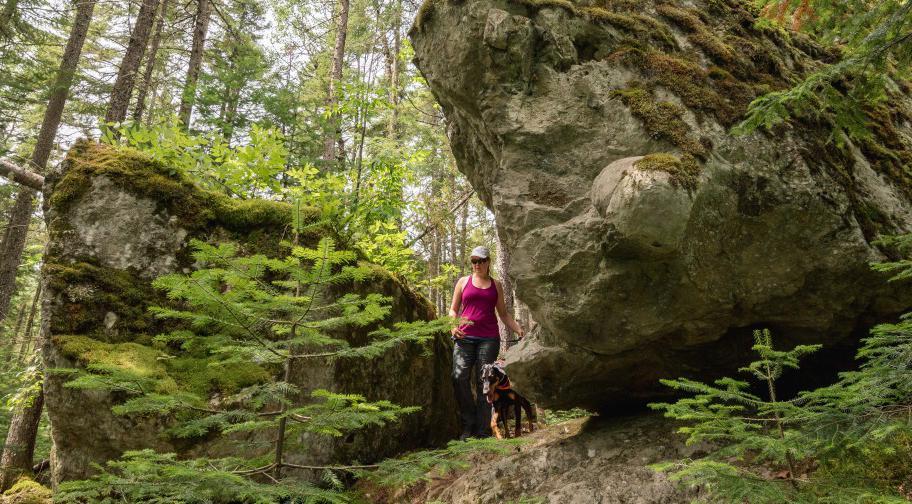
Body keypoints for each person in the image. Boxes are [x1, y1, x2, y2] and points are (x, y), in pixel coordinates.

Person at [449, 245, 525, 440]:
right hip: (464, 337)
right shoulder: (463, 282)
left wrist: (518, 329)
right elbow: (453, 310)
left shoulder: (496, 285)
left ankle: (483, 430)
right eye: (474, 261)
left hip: (489, 339)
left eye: (481, 261)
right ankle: (469, 424)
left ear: (488, 262)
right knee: (459, 377)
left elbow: (504, 314)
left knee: (485, 381)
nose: (477, 265)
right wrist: (452, 326)